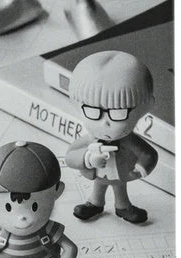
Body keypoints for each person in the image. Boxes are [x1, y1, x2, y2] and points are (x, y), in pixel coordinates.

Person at [64, 51, 158, 224]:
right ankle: (95, 203)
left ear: (145, 108)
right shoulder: (89, 140)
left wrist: (141, 168)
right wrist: (88, 159)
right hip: (98, 173)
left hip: (120, 173)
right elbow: (70, 156)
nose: (105, 123)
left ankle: (123, 206)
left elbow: (149, 154)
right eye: (93, 111)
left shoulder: (129, 141)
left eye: (118, 113)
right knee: (99, 185)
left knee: (119, 187)